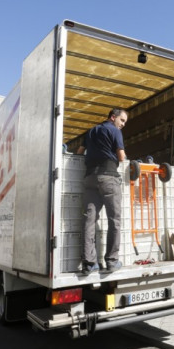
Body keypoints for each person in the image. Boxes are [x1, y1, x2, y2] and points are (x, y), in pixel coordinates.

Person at [76, 108, 128, 274]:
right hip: (108, 179)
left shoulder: (91, 131)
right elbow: (121, 157)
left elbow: (79, 152)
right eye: (122, 120)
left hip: (90, 178)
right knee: (115, 220)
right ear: (113, 118)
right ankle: (112, 261)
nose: (123, 125)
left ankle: (89, 263)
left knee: (89, 220)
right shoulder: (114, 131)